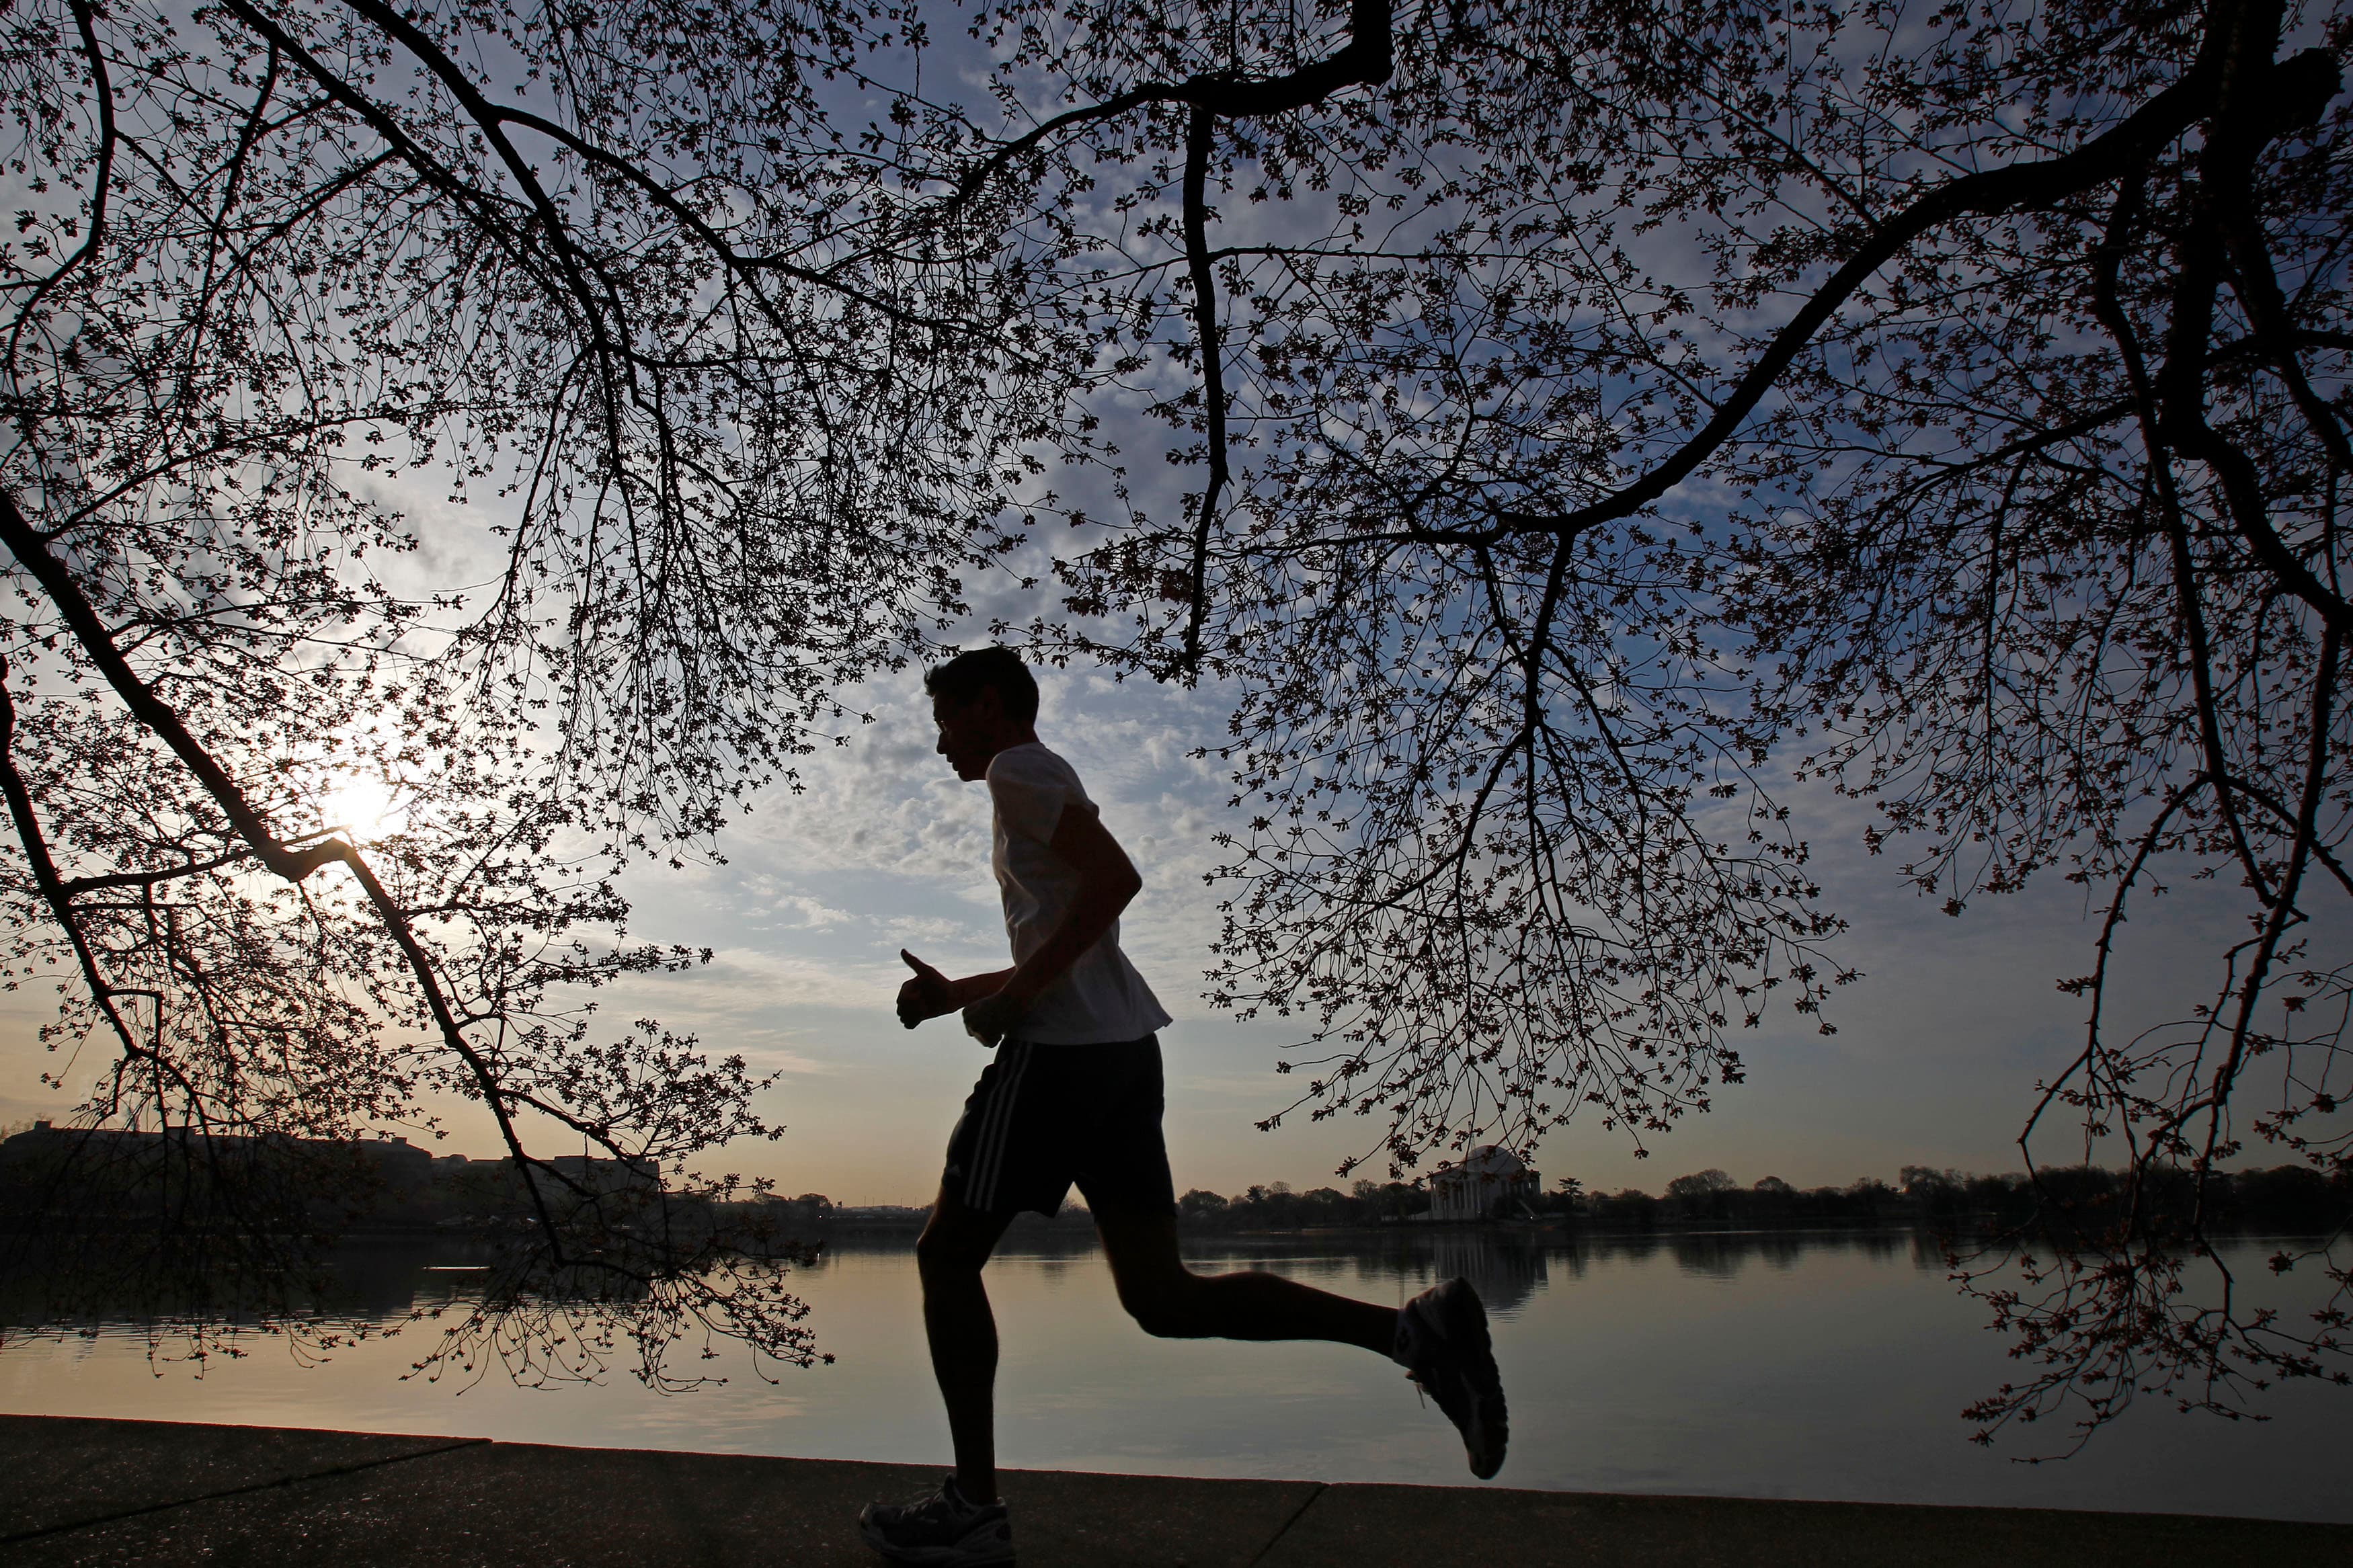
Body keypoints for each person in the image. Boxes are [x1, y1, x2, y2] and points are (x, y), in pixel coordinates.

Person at [858, 647, 1509, 1567]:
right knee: (1162, 1297)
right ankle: (1413, 1333)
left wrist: (1007, 1005)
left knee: (945, 1251)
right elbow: (1075, 944)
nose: (938, 745)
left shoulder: (1016, 767)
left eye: (945, 720)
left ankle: (973, 1508)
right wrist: (963, 992)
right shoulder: (1041, 778)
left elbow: (1115, 882)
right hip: (1122, 1055)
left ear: (989, 707)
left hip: (1060, 1067)